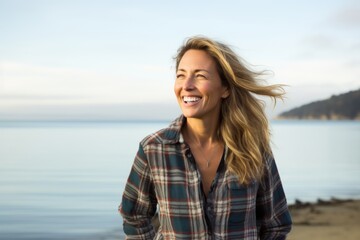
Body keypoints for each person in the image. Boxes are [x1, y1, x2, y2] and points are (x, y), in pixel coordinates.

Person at [119, 36, 292, 239]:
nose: (187, 85)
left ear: (225, 88)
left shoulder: (253, 148)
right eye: (181, 75)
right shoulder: (154, 149)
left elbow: (276, 224)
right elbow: (134, 216)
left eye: (200, 76)